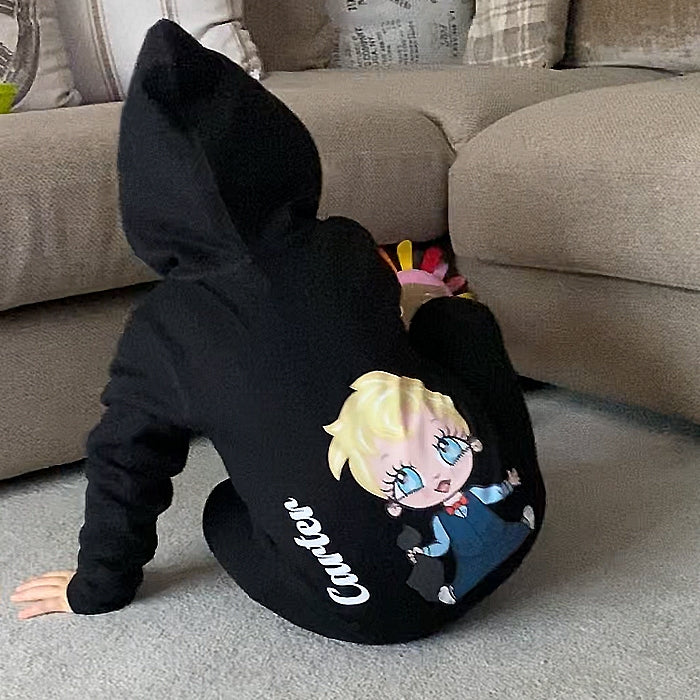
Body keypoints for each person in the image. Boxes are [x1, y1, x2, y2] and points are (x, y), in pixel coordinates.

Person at [10, 20, 545, 644]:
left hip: (363, 612)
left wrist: (97, 585)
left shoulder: (158, 336)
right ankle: (471, 456)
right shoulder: (345, 247)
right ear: (285, 149)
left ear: (148, 206)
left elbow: (123, 463)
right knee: (458, 320)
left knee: (225, 510)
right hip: (521, 525)